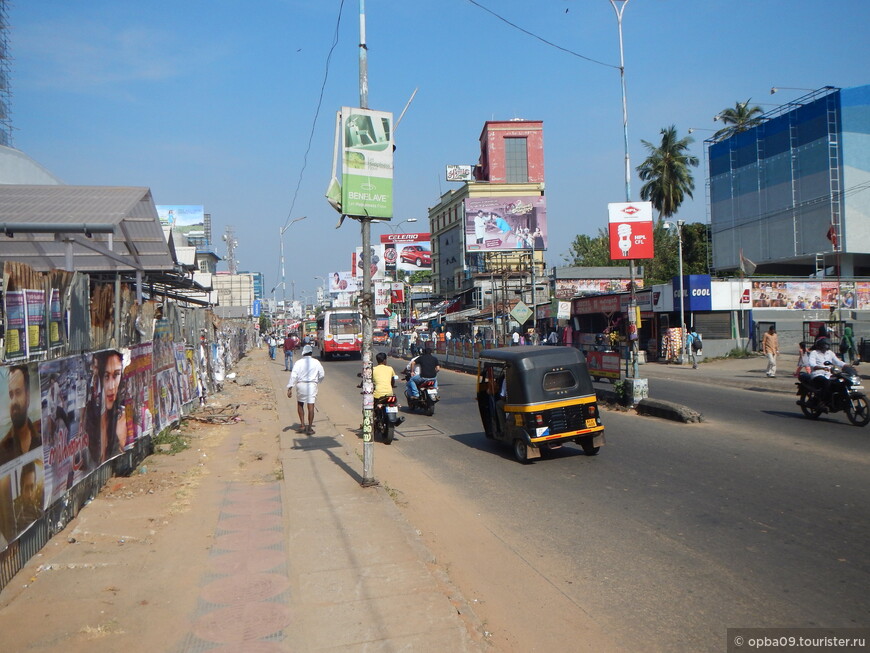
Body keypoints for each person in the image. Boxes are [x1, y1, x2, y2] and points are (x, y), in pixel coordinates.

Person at [0, 366, 42, 465]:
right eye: (11, 395)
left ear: (28, 397)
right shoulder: (2, 449)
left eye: (18, 393)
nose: (13, 401)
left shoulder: (41, 439)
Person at [287, 345, 325, 435]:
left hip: (301, 384)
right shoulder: (316, 362)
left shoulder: (299, 362)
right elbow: (322, 374)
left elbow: (293, 375)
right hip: (312, 385)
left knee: (300, 404)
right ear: (311, 353)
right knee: (310, 406)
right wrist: (317, 382)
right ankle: (310, 428)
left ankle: (303, 425)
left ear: (303, 353)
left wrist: (290, 387)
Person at [808, 338, 848, 405]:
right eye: (824, 345)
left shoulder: (830, 353)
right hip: (817, 374)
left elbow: (837, 362)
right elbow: (812, 364)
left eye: (827, 346)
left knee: (840, 382)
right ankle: (823, 400)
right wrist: (822, 368)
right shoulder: (814, 353)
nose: (825, 348)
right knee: (826, 383)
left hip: (829, 374)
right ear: (820, 346)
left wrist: (846, 365)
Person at [13, 461, 43, 534]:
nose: (29, 494)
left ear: (35, 487)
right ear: (21, 489)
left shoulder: (39, 512)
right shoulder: (14, 514)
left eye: (32, 487)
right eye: (26, 488)